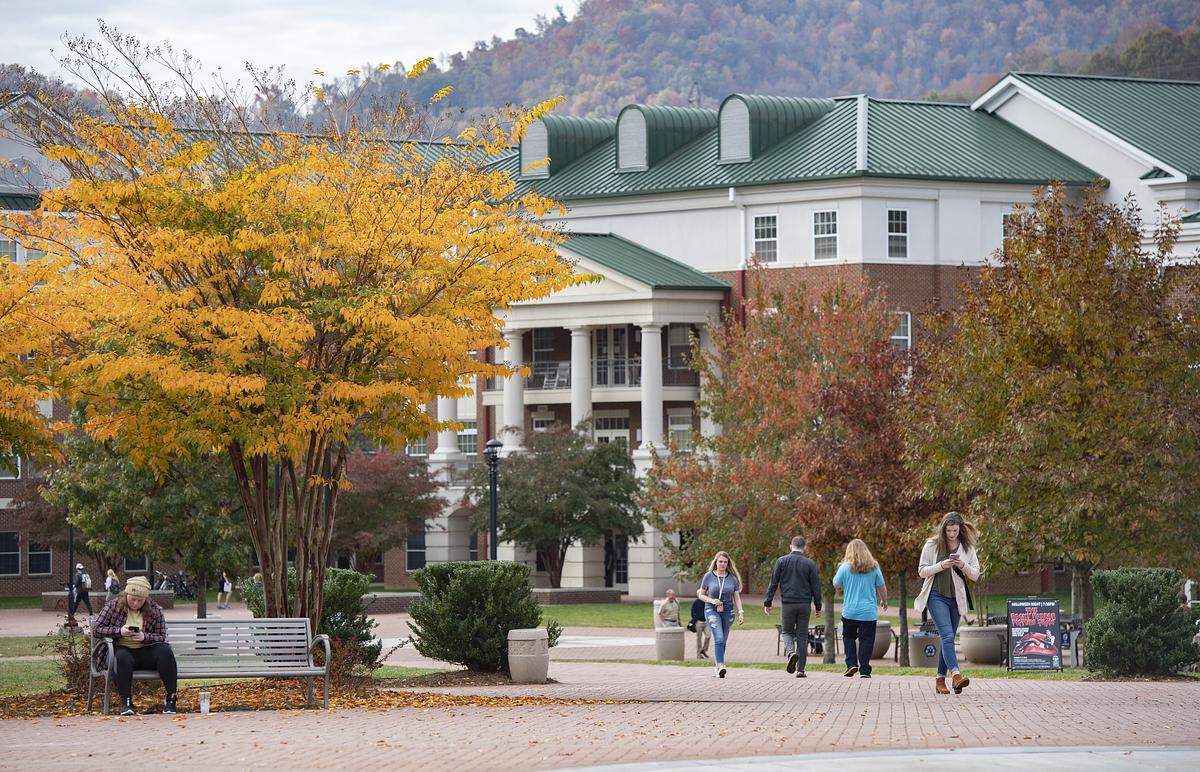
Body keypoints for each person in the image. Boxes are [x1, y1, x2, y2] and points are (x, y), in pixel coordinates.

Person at [914, 511, 981, 695]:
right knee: (947, 635)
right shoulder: (932, 545)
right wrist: (942, 565)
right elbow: (922, 571)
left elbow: (975, 574)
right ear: (943, 529)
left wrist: (962, 565)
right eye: (948, 530)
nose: (952, 534)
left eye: (955, 530)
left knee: (948, 639)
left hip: (955, 598)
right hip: (936, 595)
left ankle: (939, 679)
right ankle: (957, 675)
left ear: (960, 529)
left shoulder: (967, 548)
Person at [93, 575, 179, 715]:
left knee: (165, 651)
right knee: (121, 657)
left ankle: (171, 698)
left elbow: (161, 636)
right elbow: (96, 629)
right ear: (126, 594)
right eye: (132, 599)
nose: (135, 603)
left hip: (145, 651)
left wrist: (144, 636)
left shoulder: (154, 609)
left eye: (140, 600)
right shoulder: (113, 606)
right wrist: (119, 631)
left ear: (146, 599)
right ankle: (126, 703)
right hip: (122, 650)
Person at [763, 535, 822, 678]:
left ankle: (790, 653)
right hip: (804, 604)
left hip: (788, 604)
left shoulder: (781, 561)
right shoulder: (809, 564)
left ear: (791, 546)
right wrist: (818, 606)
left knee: (787, 632)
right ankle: (801, 670)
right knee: (802, 636)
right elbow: (816, 587)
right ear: (804, 547)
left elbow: (773, 583)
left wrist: (768, 602)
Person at [832, 539, 888, 678]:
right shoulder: (874, 567)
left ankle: (851, 664)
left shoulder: (845, 567)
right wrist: (884, 600)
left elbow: (836, 584)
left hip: (850, 611)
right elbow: (881, 586)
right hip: (868, 612)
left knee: (848, 637)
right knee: (867, 640)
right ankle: (864, 670)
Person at [697, 550, 744, 678]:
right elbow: (700, 594)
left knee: (723, 640)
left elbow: (737, 598)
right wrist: (711, 600)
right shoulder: (709, 576)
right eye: (720, 561)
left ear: (728, 564)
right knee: (718, 637)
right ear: (716, 562)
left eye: (725, 562)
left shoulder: (732, 578)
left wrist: (741, 612)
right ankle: (720, 665)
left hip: (728, 610)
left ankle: (718, 667)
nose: (722, 564)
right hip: (711, 609)